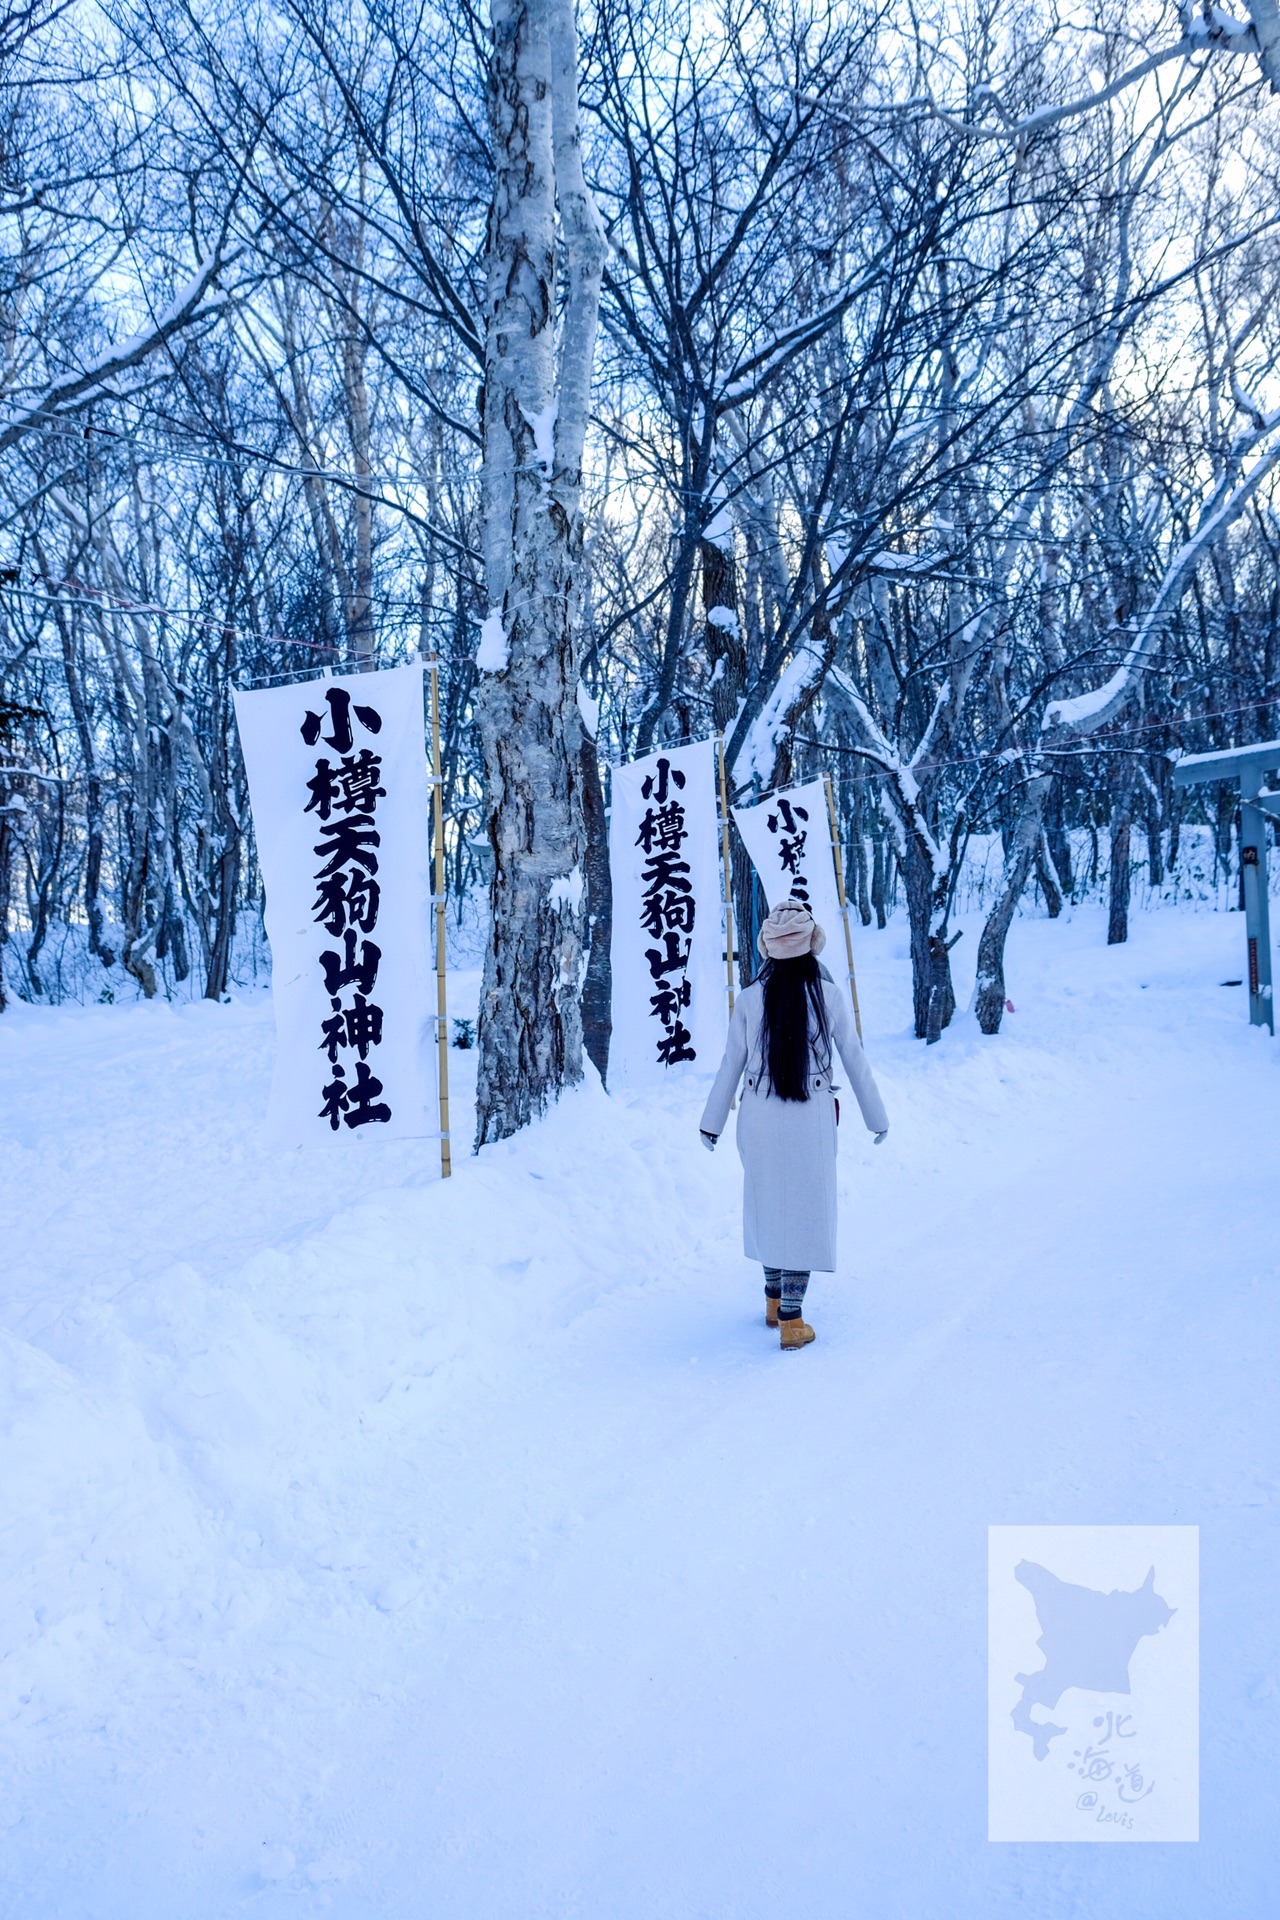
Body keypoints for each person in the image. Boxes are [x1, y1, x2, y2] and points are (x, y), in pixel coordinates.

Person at [699, 896, 889, 1350]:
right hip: (812, 1115)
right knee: (802, 1211)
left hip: (758, 1116)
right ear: (811, 946)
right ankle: (791, 1318)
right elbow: (854, 1058)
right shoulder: (828, 996)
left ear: (768, 948)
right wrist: (876, 1117)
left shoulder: (748, 999)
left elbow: (731, 1064)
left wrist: (711, 1124)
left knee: (769, 1205)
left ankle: (771, 1299)